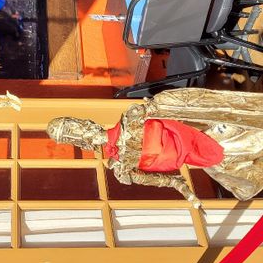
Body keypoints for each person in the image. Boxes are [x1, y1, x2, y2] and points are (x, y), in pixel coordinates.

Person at [46, 88, 263, 207]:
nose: (81, 131)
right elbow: (169, 181)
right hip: (212, 160)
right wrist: (188, 194)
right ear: (77, 142)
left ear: (84, 122)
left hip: (214, 133)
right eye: (72, 134)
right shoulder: (123, 169)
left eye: (75, 126)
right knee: (246, 182)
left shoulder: (133, 117)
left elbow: (179, 105)